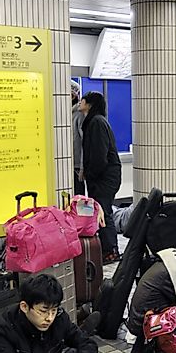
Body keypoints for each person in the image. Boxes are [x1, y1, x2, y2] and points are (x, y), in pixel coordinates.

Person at [80, 91, 123, 263]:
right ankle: (107, 249)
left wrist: (90, 173)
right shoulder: (94, 121)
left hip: (105, 176)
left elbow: (99, 155)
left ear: (89, 104)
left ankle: (111, 251)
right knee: (101, 211)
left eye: (82, 99)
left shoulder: (96, 122)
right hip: (103, 175)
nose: (80, 102)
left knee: (103, 212)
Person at [71, 79, 85, 196]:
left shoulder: (79, 114)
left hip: (76, 166)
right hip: (69, 164)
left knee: (78, 200)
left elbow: (84, 142)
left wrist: (82, 167)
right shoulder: (67, 113)